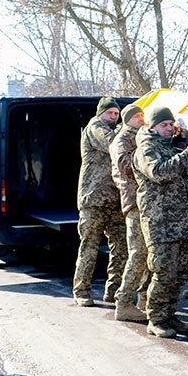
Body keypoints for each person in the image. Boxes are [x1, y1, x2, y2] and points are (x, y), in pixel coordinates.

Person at [133, 106, 188, 338]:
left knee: (182, 272)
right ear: (152, 126)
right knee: (163, 272)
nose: (169, 128)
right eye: (164, 124)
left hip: (183, 222)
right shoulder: (147, 148)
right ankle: (156, 318)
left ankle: (170, 313)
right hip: (160, 223)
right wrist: (186, 157)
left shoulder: (175, 148)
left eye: (171, 124)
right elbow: (158, 172)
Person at [73, 97, 128, 307]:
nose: (114, 117)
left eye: (116, 114)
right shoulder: (95, 127)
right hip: (93, 200)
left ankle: (113, 290)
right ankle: (81, 290)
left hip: (114, 200)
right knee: (90, 247)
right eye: (110, 113)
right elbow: (112, 143)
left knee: (121, 247)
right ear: (101, 113)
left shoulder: (116, 129)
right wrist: (130, 130)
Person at [109, 104, 150, 322]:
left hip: (145, 202)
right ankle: (124, 303)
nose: (142, 119)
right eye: (137, 116)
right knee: (138, 253)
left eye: (143, 115)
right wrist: (145, 150)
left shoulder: (139, 137)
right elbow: (126, 165)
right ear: (128, 120)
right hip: (134, 202)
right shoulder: (122, 139)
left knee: (148, 255)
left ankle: (144, 299)